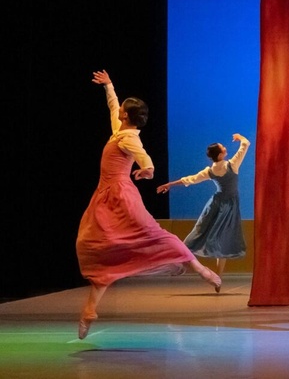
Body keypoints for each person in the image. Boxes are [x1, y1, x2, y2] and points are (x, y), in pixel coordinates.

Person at [76, 70, 221, 339]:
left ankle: (202, 271)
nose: (118, 110)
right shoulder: (120, 131)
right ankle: (89, 310)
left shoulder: (129, 137)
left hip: (121, 196)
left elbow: (144, 157)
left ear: (126, 116)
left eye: (122, 109)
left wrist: (148, 170)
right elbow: (112, 107)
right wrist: (109, 85)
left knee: (156, 236)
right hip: (105, 197)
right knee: (99, 246)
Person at [156, 133, 251, 285]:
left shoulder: (210, 171)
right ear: (220, 155)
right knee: (222, 239)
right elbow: (245, 144)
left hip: (215, 204)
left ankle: (180, 259)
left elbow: (190, 179)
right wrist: (239, 137)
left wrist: (170, 184)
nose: (225, 148)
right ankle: (217, 275)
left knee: (199, 232)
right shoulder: (232, 165)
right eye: (223, 148)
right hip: (228, 206)